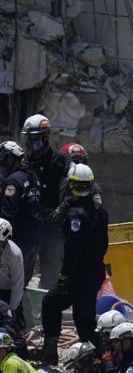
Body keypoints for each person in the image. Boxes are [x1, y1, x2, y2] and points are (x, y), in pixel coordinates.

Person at [40, 164, 108, 363]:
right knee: (51, 303)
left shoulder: (75, 215)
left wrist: (64, 275)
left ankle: (104, 359)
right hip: (92, 272)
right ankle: (50, 352)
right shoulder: (100, 212)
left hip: (78, 275)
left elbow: (73, 251)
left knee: (84, 321)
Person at [21, 114, 69, 290]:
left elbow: (73, 186)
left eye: (33, 137)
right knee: (23, 265)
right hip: (30, 221)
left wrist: (62, 210)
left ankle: (48, 304)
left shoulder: (59, 160)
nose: (30, 141)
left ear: (45, 136)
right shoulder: (25, 162)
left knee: (51, 265)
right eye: (28, 137)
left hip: (51, 222)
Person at [0, 141, 43, 299]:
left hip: (20, 237)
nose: (3, 165)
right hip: (35, 237)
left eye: (5, 160)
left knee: (9, 282)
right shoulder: (33, 177)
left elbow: (6, 215)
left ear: (13, 158)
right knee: (22, 280)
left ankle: (10, 317)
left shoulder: (12, 182)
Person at [0, 219, 25, 315]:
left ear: (6, 240)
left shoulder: (15, 255)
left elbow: (17, 287)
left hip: (6, 293)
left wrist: (10, 310)